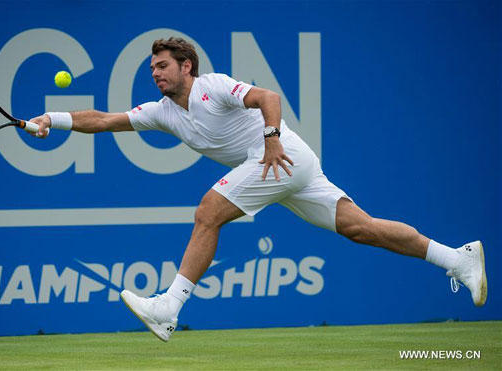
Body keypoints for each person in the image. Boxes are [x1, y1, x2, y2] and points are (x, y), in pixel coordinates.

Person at [30, 37, 487, 342]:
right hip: (288, 167)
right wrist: (55, 119)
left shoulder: (212, 86)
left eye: (163, 66)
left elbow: (269, 97)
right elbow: (105, 120)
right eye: (152, 68)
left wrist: (269, 140)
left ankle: (169, 307)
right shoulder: (162, 111)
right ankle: (457, 258)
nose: (156, 73)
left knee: (209, 210)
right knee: (361, 228)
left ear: (186, 66)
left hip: (279, 155)